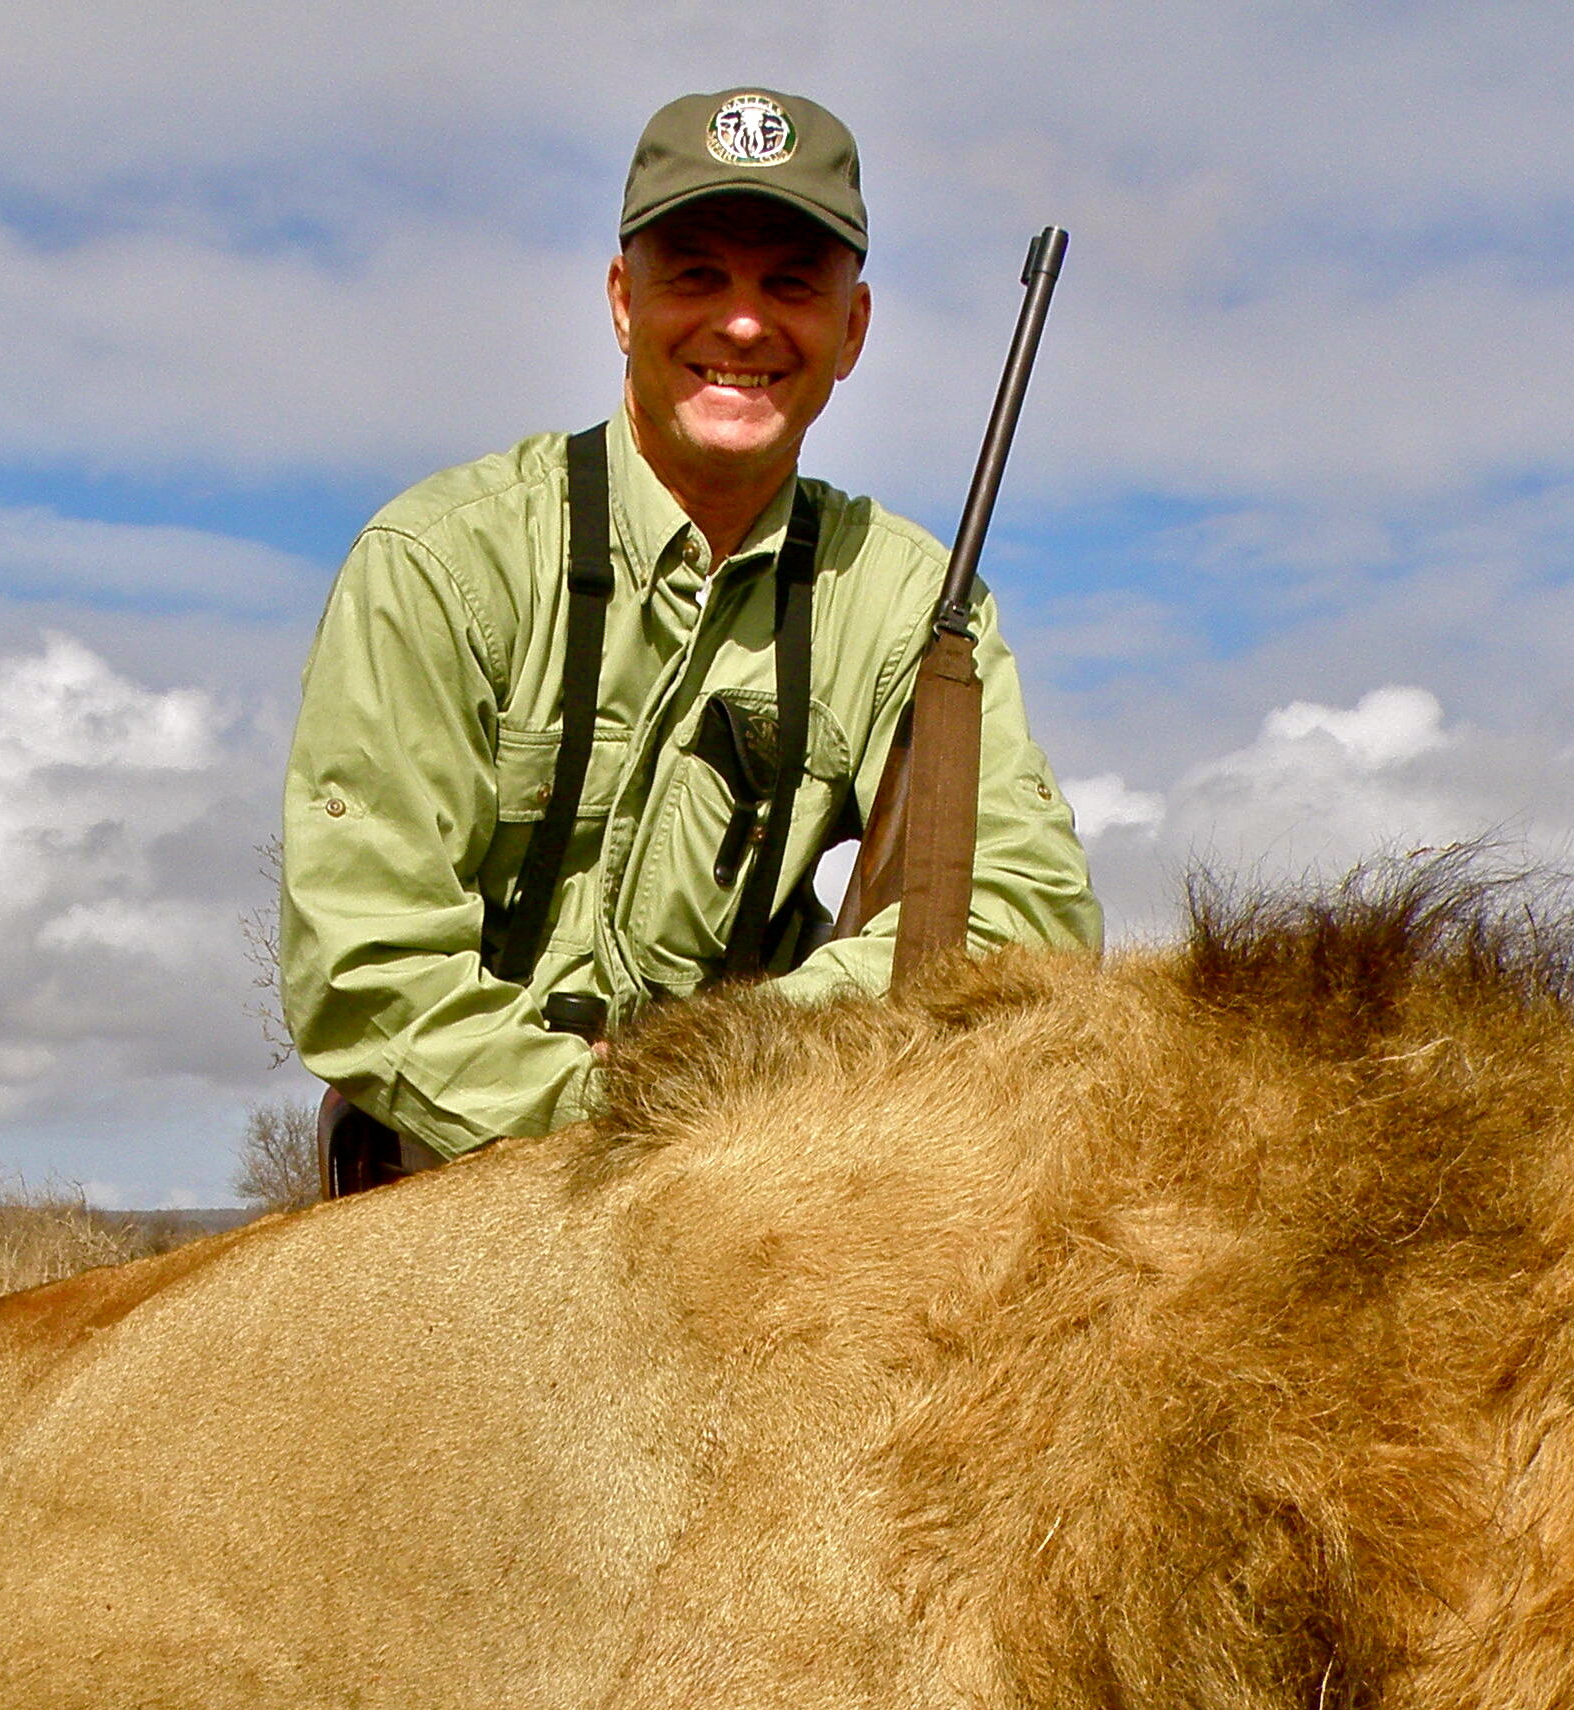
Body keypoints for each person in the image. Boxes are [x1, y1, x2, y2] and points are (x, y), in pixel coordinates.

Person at [280, 87, 1102, 1186]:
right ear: (624, 301)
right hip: (462, 1190)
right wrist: (617, 1112)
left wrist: (727, 1071)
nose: (746, 324)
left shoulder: (918, 601)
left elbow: (1028, 915)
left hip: (757, 1182)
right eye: (697, 274)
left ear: (851, 330)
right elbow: (364, 966)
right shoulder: (440, 561)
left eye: (793, 285)